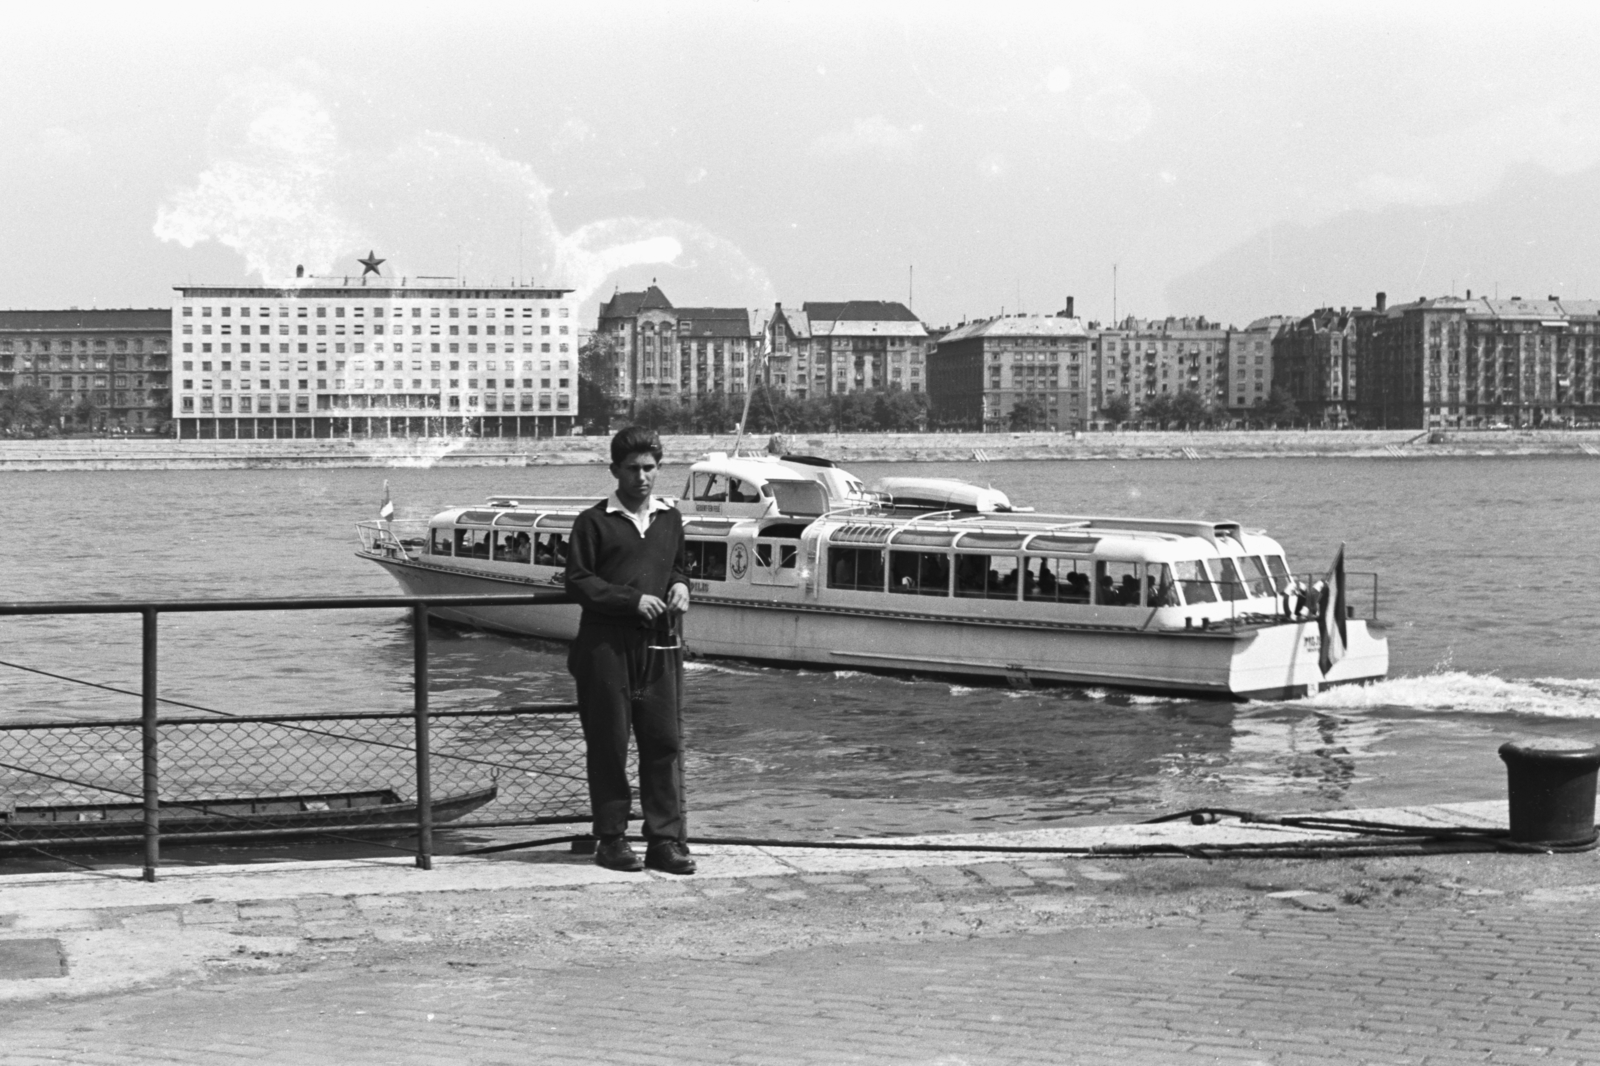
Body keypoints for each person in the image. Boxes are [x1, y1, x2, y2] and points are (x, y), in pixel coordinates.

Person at [564, 426, 696, 875]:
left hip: (658, 645)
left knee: (662, 743)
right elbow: (579, 581)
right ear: (614, 471)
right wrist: (630, 600)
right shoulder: (593, 522)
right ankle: (612, 838)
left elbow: (677, 565)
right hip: (605, 647)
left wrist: (680, 585)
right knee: (609, 745)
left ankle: (664, 840)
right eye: (633, 469)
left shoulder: (670, 519)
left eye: (651, 468)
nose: (643, 477)